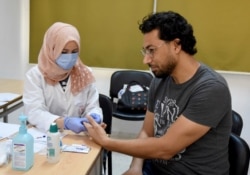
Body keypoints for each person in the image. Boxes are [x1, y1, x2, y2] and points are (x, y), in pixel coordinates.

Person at [84, 11, 232, 175]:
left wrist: (106, 142)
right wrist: (135, 167)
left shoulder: (211, 89)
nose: (146, 60)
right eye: (145, 51)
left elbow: (166, 148)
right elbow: (147, 132)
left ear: (176, 45)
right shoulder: (160, 80)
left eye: (152, 50)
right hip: (157, 169)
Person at [23, 22, 103, 133]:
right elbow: (34, 112)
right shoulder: (35, 76)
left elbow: (93, 106)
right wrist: (64, 122)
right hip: (45, 136)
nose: (70, 57)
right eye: (64, 52)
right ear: (51, 49)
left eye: (74, 52)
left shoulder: (85, 74)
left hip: (77, 137)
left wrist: (94, 115)